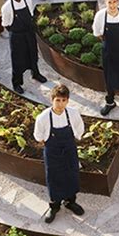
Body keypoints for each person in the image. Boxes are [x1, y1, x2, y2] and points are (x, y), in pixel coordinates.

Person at [34, 84, 85, 223]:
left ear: (67, 101)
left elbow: (80, 128)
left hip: (69, 150)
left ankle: (70, 202)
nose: (60, 104)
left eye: (63, 100)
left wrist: (75, 137)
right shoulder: (43, 117)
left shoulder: (73, 113)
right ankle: (54, 206)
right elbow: (38, 136)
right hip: (53, 152)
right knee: (54, 177)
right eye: (58, 100)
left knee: (71, 174)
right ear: (52, 100)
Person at [1, 0, 48, 94]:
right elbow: (6, 24)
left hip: (29, 33)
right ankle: (17, 83)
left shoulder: (28, 0)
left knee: (33, 54)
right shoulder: (6, 7)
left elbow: (30, 15)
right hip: (17, 37)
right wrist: (17, 32)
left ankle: (35, 74)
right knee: (18, 60)